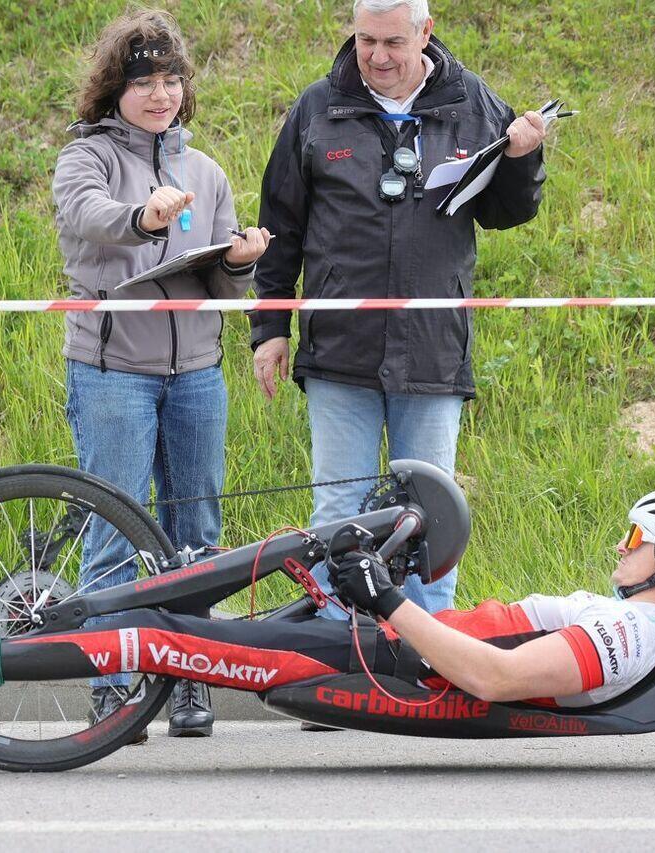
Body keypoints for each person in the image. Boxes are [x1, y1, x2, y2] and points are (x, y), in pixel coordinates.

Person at [249, 0, 548, 621]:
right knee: (340, 515)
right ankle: (338, 653)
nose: (377, 56)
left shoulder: (472, 102)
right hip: (339, 351)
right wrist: (270, 327)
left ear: (425, 33)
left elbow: (506, 212)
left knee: (430, 517)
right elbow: (280, 225)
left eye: (392, 43)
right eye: (366, 41)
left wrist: (523, 159)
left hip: (433, 350)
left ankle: (428, 659)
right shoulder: (317, 107)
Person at [23, 487, 655, 709]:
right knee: (202, 599)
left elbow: (496, 675)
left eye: (636, 538)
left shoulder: (630, 635)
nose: (622, 550)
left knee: (163, 635)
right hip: (399, 641)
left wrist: (386, 601)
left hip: (388, 660)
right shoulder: (634, 619)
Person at [51, 8, 271, 739]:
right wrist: (144, 218)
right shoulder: (85, 158)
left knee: (197, 534)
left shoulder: (206, 171)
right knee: (116, 529)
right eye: (143, 81)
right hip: (112, 371)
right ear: (115, 89)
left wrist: (239, 261)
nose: (159, 94)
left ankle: (189, 681)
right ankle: (113, 687)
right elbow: (91, 217)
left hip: (198, 374)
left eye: (170, 80)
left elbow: (223, 289)